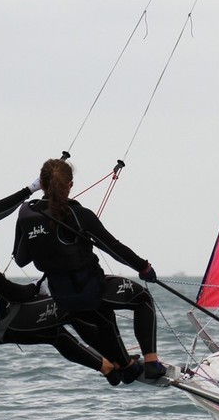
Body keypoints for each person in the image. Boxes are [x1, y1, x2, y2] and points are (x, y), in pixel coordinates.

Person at [0, 180, 127, 386]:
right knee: (71, 305)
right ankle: (124, 363)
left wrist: (31, 188)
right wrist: (37, 286)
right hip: (1, 320)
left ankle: (109, 367)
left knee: (56, 333)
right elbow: (12, 293)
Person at [12, 158, 167, 381]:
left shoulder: (27, 214)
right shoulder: (78, 214)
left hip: (62, 298)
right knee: (141, 298)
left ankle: (124, 367)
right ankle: (152, 363)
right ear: (70, 185)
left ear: (42, 184)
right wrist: (143, 267)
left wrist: (37, 236)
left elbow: (20, 260)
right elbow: (113, 247)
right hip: (92, 290)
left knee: (102, 317)